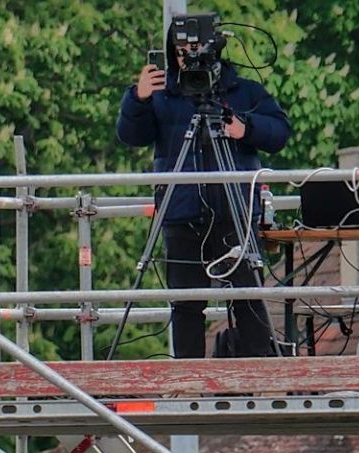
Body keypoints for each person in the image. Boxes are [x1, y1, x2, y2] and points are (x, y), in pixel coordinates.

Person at [117, 25, 290, 358]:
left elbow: (280, 132)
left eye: (197, 50)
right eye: (181, 52)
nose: (189, 59)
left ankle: (259, 375)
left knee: (248, 299)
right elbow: (131, 136)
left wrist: (245, 128)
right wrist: (136, 99)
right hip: (182, 213)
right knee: (186, 305)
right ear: (172, 54)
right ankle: (188, 382)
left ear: (215, 50)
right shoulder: (160, 93)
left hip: (234, 212)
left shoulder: (242, 91)